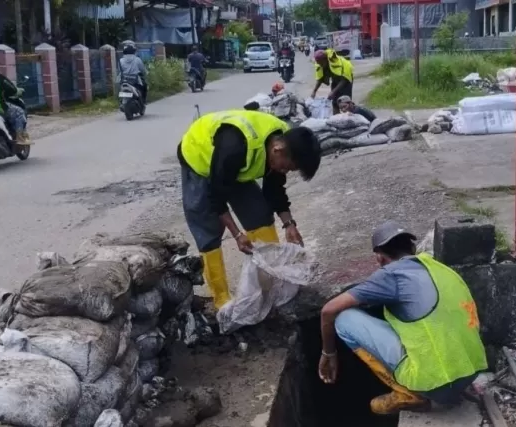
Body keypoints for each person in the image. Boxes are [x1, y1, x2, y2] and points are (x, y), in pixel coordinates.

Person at [318, 221, 488, 414]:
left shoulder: (391, 275)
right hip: (469, 373)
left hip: (435, 385)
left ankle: (408, 393)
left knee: (344, 319)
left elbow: (328, 311)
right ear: (413, 249)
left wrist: (328, 353)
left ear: (380, 259)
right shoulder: (439, 268)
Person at [178, 110, 322, 310]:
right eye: (286, 168)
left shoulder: (284, 142)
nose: (285, 171)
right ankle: (222, 300)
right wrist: (237, 234)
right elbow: (216, 196)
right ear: (278, 150)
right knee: (208, 228)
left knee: (259, 213)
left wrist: (289, 224)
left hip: (233, 167)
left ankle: (270, 282)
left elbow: (274, 191)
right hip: (199, 160)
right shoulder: (235, 146)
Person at [311, 49, 353, 114]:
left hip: (346, 79)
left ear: (326, 59)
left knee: (345, 101)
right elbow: (320, 78)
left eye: (321, 63)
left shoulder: (337, 63)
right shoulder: (321, 64)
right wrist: (314, 91)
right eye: (318, 63)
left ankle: (349, 117)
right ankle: (336, 119)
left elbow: (344, 80)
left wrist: (333, 91)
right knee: (334, 102)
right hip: (335, 79)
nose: (320, 65)